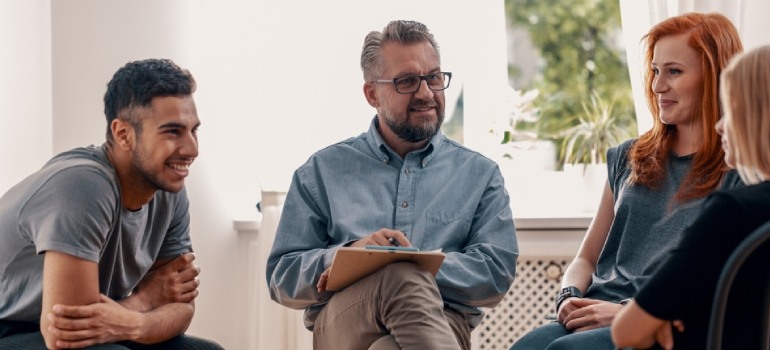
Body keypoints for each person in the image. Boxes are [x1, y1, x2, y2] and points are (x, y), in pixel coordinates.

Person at [266, 20, 518, 350]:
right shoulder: (321, 171)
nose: (426, 93)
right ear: (372, 93)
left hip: (442, 323)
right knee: (400, 278)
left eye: (434, 77)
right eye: (408, 82)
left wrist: (403, 262)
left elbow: (495, 275)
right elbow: (282, 277)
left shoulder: (480, 174)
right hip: (344, 323)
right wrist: (350, 256)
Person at [510, 12, 744, 350]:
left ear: (715, 76)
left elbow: (718, 286)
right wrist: (568, 296)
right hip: (591, 310)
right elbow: (586, 258)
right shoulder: (628, 156)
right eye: (655, 71)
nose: (657, 86)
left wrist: (625, 312)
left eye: (674, 71)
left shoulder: (736, 172)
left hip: (658, 324)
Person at [0, 59, 222, 349]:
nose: (192, 149)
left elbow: (181, 309)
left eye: (193, 130)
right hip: (10, 329)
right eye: (172, 132)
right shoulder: (82, 184)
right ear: (123, 134)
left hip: (96, 319)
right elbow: (65, 335)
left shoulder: (169, 188)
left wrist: (137, 323)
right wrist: (146, 300)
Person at [612, 40, 770, 350]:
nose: (718, 126)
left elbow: (626, 332)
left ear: (764, 116)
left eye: (731, 111)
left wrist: (672, 314)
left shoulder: (734, 211)